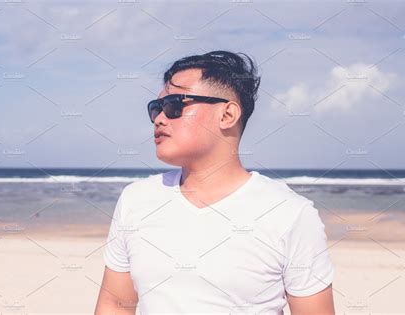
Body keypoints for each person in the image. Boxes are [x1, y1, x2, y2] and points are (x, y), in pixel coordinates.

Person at [95, 51, 335, 314]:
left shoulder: (289, 213)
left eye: (175, 105)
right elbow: (116, 303)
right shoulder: (136, 200)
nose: (160, 119)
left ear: (227, 115)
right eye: (156, 108)